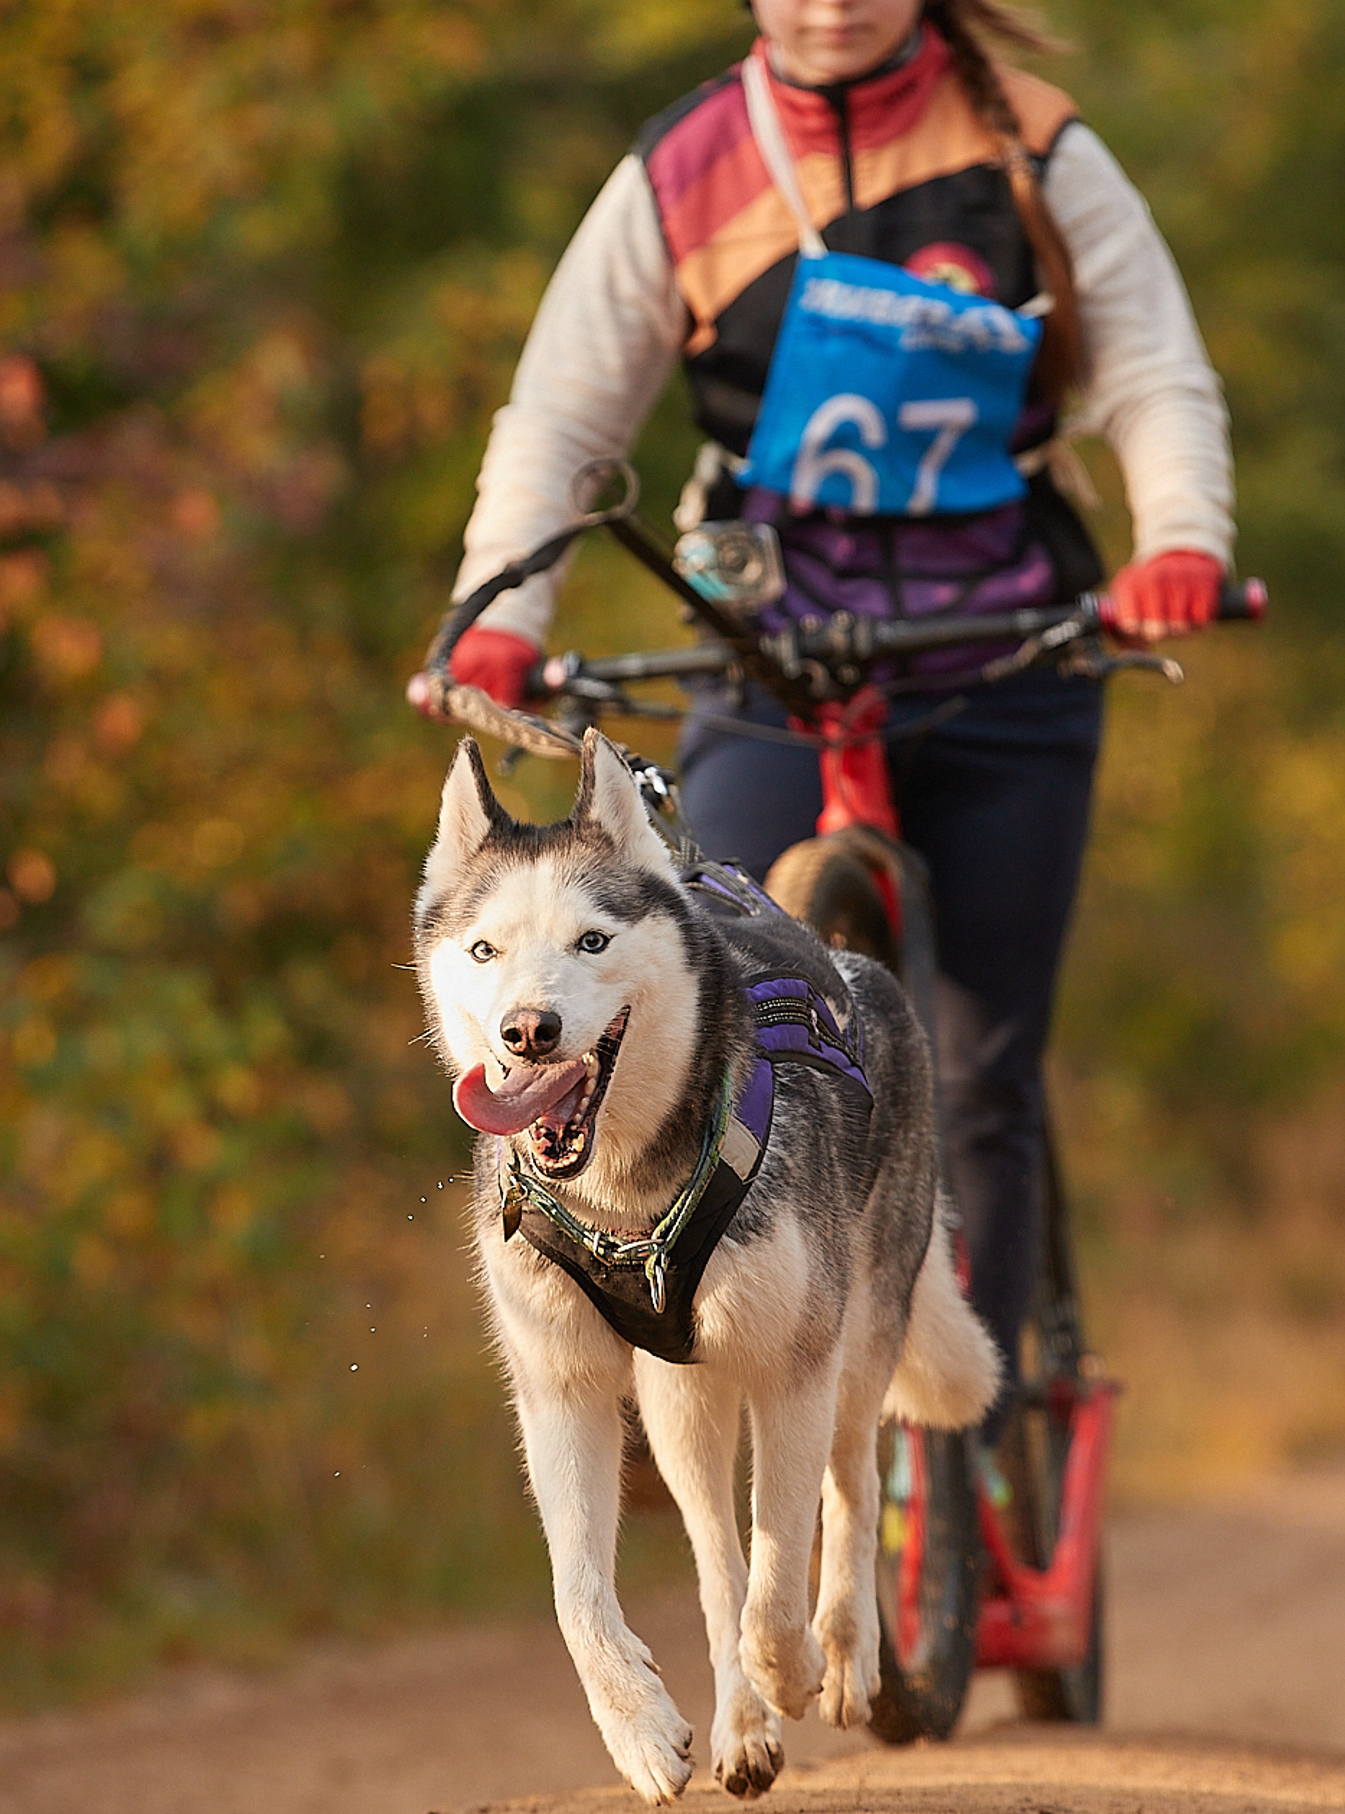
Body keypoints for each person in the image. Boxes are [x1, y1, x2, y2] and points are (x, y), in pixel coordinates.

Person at [413, 0, 1234, 1437]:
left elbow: (1155, 370)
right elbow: (559, 419)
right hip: (769, 647)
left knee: (979, 1065)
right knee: (724, 1004)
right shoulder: (687, 165)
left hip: (1009, 642)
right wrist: (502, 611)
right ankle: (739, 1360)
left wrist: (1182, 540)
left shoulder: (1029, 144)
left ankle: (973, 1437)